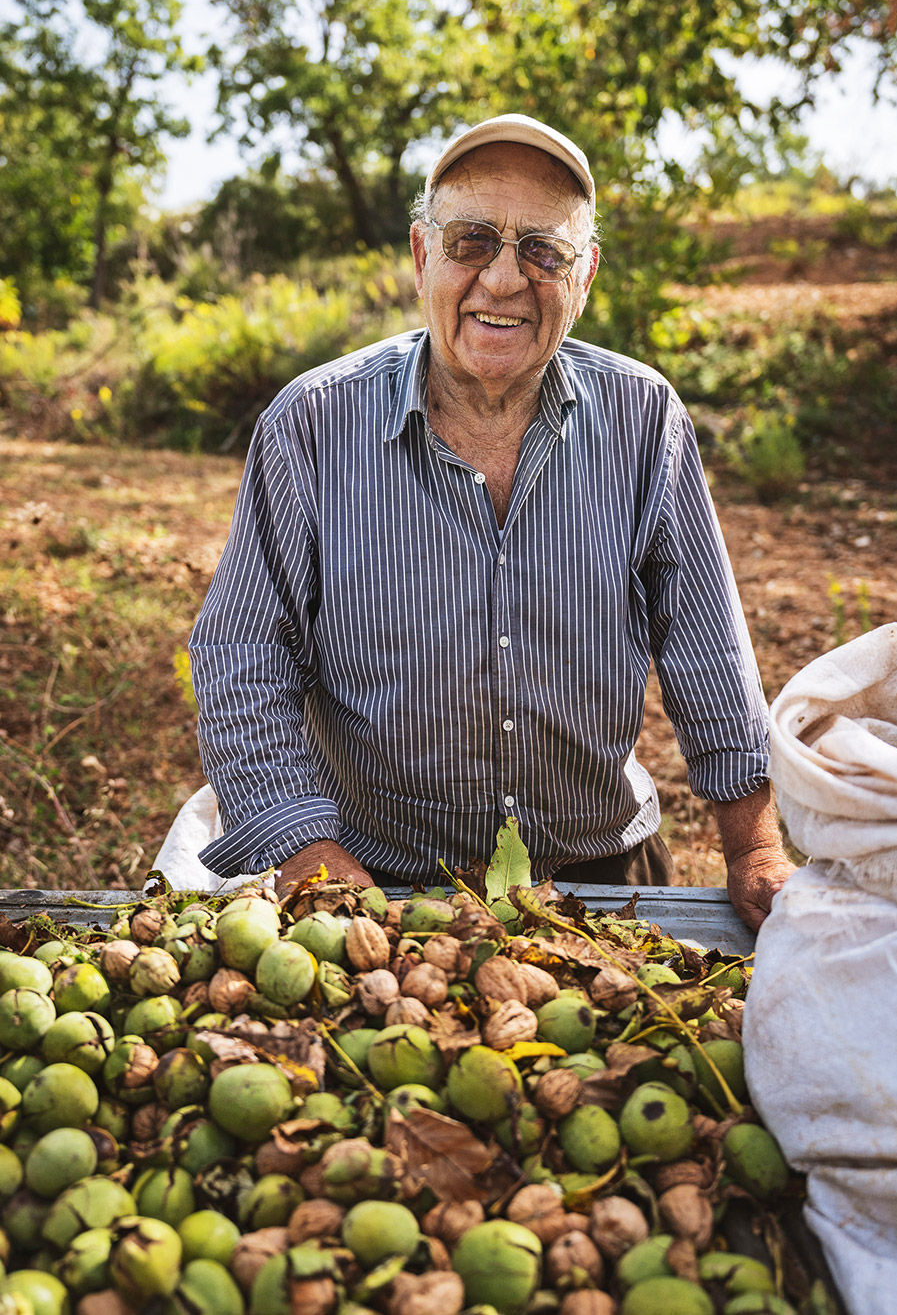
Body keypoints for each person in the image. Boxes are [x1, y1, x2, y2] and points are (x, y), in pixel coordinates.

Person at [188, 113, 796, 930]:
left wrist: (753, 848)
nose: (504, 281)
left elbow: (706, 644)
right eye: (472, 241)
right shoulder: (311, 425)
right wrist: (303, 849)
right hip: (377, 887)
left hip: (598, 878)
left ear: (584, 278)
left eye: (543, 251)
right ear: (420, 256)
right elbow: (243, 651)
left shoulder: (645, 418)